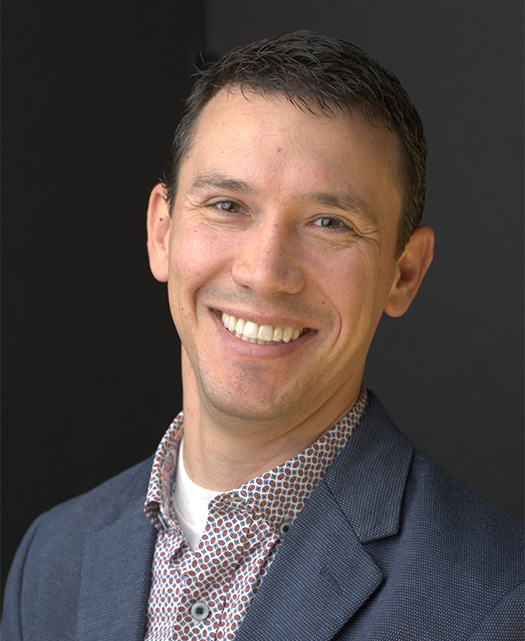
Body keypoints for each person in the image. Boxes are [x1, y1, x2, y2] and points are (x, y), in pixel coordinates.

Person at [2, 30, 523, 641]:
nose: (264, 272)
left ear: (403, 273)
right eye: (227, 206)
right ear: (161, 232)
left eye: (329, 223)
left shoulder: (496, 601)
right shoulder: (51, 559)